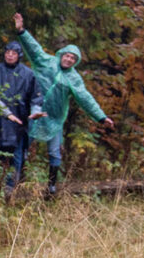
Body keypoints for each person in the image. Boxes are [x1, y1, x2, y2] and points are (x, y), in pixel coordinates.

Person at [14, 12, 114, 196]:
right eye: (67, 56)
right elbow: (34, 48)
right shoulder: (46, 62)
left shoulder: (74, 78)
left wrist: (101, 117)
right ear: (62, 54)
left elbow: (85, 98)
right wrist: (22, 31)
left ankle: (52, 185)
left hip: (54, 118)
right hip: (34, 111)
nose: (68, 59)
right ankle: (18, 179)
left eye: (72, 59)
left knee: (54, 150)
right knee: (24, 145)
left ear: (75, 62)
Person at [0, 37, 43, 189]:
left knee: (15, 156)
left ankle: (10, 188)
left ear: (19, 55)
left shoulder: (28, 74)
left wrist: (35, 111)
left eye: (13, 53)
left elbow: (36, 97)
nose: (10, 55)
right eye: (8, 52)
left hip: (18, 122)